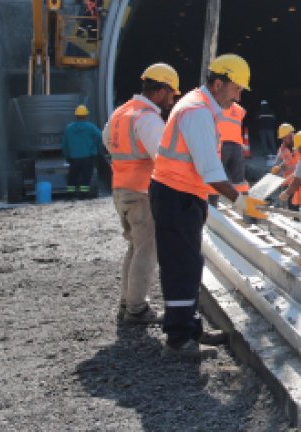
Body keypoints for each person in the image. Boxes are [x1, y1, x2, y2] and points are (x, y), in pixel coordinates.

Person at [149, 53, 265, 358]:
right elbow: (210, 170)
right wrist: (240, 201)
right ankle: (178, 339)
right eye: (236, 89)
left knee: (190, 264)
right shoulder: (197, 112)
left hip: (184, 196)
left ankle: (190, 327)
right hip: (177, 197)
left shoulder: (201, 108)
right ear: (217, 83)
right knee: (180, 266)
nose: (239, 96)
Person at [104, 63, 180, 325]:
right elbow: (163, 156)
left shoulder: (121, 112)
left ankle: (127, 302)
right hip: (141, 192)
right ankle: (136, 309)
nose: (173, 100)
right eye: (171, 94)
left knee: (135, 247)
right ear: (160, 91)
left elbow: (108, 141)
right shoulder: (147, 118)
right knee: (147, 251)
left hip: (121, 190)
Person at [63, 105, 103, 199]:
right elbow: (100, 137)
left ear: (76, 115)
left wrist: (67, 155)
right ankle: (83, 196)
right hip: (88, 158)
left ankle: (70, 196)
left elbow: (64, 144)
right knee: (85, 178)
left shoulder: (69, 128)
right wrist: (97, 148)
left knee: (72, 178)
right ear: (85, 115)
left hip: (73, 158)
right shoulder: (90, 127)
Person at [217, 102, 249, 195]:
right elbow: (243, 114)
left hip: (221, 144)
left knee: (215, 175)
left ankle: (212, 205)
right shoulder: (239, 109)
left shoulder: (216, 105)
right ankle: (244, 203)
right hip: (237, 146)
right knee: (239, 178)